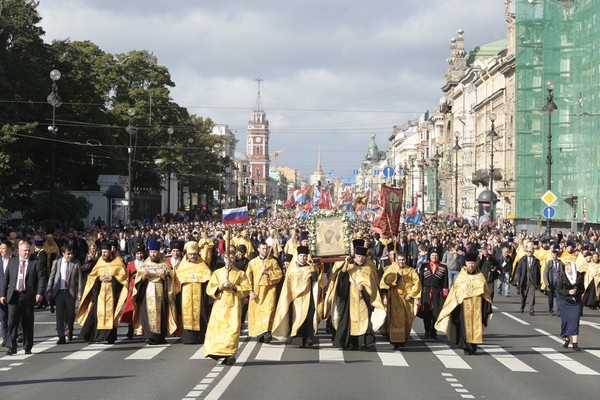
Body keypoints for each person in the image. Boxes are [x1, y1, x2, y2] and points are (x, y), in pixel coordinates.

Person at [325, 245, 386, 351]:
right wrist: (345, 267)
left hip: (364, 300)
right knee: (349, 321)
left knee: (364, 321)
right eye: (358, 256)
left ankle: (362, 343)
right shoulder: (349, 268)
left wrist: (364, 289)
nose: (360, 258)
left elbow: (373, 285)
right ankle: (350, 343)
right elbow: (342, 280)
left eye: (362, 257)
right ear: (355, 256)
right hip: (350, 299)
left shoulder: (368, 269)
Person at [435, 253, 493, 355]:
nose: (471, 265)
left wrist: (486, 307)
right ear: (466, 263)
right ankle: (466, 347)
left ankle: (473, 346)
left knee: (476, 327)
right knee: (463, 327)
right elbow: (455, 292)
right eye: (469, 263)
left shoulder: (480, 277)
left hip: (477, 307)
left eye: (473, 263)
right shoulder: (461, 277)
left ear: (475, 264)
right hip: (463, 307)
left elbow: (486, 293)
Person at [203, 255, 251, 366]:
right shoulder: (217, 273)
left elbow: (246, 288)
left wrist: (234, 287)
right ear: (224, 259)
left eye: (232, 258)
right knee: (217, 330)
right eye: (227, 258)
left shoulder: (240, 273)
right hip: (219, 306)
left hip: (233, 306)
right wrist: (219, 287)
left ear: (234, 259)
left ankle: (230, 354)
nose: (230, 260)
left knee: (231, 330)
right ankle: (216, 352)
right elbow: (210, 288)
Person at [0, 240, 45, 355]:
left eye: (29, 250)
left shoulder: (36, 261)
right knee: (12, 322)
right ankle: (11, 346)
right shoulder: (13, 261)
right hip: (13, 296)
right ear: (19, 251)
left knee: (27, 322)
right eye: (25, 250)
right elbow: (6, 279)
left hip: (27, 296)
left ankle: (27, 346)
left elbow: (41, 278)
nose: (27, 252)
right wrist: (2, 294)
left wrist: (39, 293)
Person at [77, 242, 128, 344]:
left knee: (111, 316)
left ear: (110, 252)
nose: (104, 254)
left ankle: (109, 337)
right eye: (102, 252)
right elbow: (91, 276)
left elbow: (124, 277)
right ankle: (97, 336)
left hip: (112, 294)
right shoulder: (100, 262)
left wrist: (113, 278)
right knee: (96, 315)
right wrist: (99, 278)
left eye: (106, 252)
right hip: (100, 294)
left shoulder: (118, 262)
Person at [133, 240, 180, 345]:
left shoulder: (164, 264)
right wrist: (143, 277)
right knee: (147, 314)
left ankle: (161, 336)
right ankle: (150, 337)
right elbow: (138, 280)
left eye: (155, 252)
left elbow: (171, 279)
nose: (154, 254)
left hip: (161, 293)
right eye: (152, 252)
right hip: (147, 293)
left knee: (162, 314)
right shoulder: (145, 264)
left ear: (159, 252)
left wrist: (165, 277)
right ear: (149, 252)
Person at [272, 246, 319, 347]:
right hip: (295, 298)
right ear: (297, 256)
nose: (303, 257)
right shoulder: (292, 269)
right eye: (301, 256)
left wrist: (312, 266)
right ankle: (297, 339)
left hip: (308, 297)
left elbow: (315, 279)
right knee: (296, 318)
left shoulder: (310, 268)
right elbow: (288, 284)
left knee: (308, 317)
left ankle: (308, 339)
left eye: (304, 256)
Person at [379, 253, 421, 349]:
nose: (401, 261)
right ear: (396, 260)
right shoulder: (391, 269)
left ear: (405, 259)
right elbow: (385, 282)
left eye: (403, 260)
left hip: (407, 299)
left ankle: (404, 338)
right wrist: (397, 276)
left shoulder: (411, 270)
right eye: (400, 260)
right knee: (395, 320)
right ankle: (395, 341)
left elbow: (417, 283)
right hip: (395, 299)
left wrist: (411, 295)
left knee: (407, 320)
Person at [175, 241, 212, 344]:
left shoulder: (202, 265)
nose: (193, 256)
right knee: (186, 314)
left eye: (195, 254)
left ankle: (200, 337)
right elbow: (177, 280)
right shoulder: (182, 266)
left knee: (200, 314)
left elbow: (208, 276)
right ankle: (188, 338)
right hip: (185, 296)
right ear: (186, 254)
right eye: (191, 254)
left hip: (199, 295)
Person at [246, 242, 283, 343]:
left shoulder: (272, 262)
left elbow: (279, 274)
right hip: (257, 292)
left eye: (266, 249)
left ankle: (267, 333)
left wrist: (268, 272)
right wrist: (250, 292)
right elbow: (247, 279)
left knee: (268, 311)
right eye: (263, 249)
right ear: (258, 249)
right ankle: (260, 334)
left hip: (269, 291)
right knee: (257, 313)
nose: (265, 251)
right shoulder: (252, 263)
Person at [46, 244, 83, 344]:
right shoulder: (57, 262)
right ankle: (61, 335)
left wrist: (79, 292)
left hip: (70, 293)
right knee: (59, 314)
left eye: (71, 254)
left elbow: (79, 279)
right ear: (63, 253)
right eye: (68, 254)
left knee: (70, 314)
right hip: (59, 292)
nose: (70, 256)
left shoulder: (76, 263)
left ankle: (70, 328)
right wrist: (49, 289)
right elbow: (52, 276)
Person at [418, 247, 448, 339]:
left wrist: (445, 293)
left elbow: (445, 281)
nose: (434, 257)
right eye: (432, 255)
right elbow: (420, 280)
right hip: (426, 292)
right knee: (426, 313)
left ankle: (433, 331)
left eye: (436, 255)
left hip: (437, 292)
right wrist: (419, 293)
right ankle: (427, 331)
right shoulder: (424, 266)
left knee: (436, 313)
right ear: (429, 256)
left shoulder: (443, 267)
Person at [557, 261, 584, 351]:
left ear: (573, 268)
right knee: (565, 322)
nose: (567, 270)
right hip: (564, 302)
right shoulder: (563, 276)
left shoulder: (579, 276)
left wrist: (576, 292)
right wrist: (568, 292)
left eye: (569, 268)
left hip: (575, 303)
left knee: (575, 321)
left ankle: (575, 344)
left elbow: (582, 289)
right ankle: (567, 339)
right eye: (566, 268)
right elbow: (559, 290)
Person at [120, 243, 146, 339]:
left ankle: (143, 329)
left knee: (143, 310)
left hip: (144, 289)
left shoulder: (147, 263)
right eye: (138, 253)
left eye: (141, 253)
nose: (139, 255)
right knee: (132, 310)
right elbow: (127, 278)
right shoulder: (130, 265)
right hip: (132, 290)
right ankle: (130, 330)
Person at [515, 246, 541, 315]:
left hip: (532, 281)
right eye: (527, 251)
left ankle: (531, 310)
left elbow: (538, 272)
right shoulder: (522, 260)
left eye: (530, 251)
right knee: (523, 296)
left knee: (532, 296)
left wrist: (538, 283)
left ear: (532, 252)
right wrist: (518, 280)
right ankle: (522, 306)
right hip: (524, 280)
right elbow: (519, 271)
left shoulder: (536, 260)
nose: (528, 253)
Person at [0, 240, 16, 347]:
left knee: (13, 317)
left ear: (10, 249)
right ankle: (5, 338)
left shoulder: (16, 260)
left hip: (13, 293)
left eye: (4, 249)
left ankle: (14, 336)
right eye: (0, 249)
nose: (1, 251)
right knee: (3, 316)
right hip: (1, 293)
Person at [543, 247, 564, 316]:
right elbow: (545, 273)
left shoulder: (561, 263)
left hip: (558, 283)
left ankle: (559, 311)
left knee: (559, 298)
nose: (553, 256)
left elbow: (563, 273)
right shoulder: (549, 263)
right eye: (552, 255)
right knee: (550, 297)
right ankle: (551, 309)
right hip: (551, 283)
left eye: (554, 255)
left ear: (557, 255)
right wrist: (546, 282)